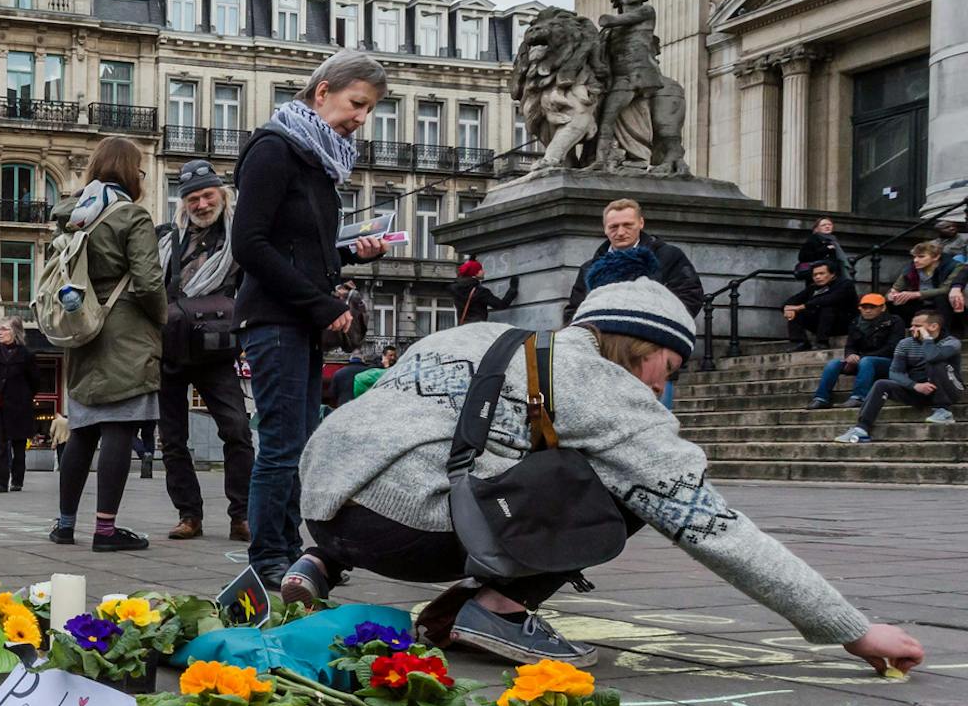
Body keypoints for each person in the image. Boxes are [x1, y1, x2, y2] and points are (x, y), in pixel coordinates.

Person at [281, 279, 922, 676]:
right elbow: (712, 526)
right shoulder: (600, 386)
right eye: (664, 366)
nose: (660, 385)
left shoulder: (479, 334)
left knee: (483, 453)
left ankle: (319, 568)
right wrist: (852, 629)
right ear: (633, 344)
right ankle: (499, 608)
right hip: (408, 530)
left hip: (325, 509)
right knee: (640, 489)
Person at [231, 52, 393, 585]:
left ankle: (287, 549)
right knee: (280, 442)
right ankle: (267, 558)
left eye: (369, 109)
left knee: (300, 443)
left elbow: (299, 248)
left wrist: (352, 255)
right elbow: (250, 245)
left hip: (297, 319)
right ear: (322, 92)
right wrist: (325, 304)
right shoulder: (274, 150)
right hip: (273, 319)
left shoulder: (319, 162)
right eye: (357, 104)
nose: (361, 118)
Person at [47, 134, 165, 552]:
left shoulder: (71, 215)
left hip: (82, 329)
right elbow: (150, 281)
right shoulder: (131, 216)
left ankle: (64, 525)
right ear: (132, 171)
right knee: (119, 426)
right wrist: (161, 319)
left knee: (81, 430)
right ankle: (106, 530)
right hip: (126, 333)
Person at [154, 158, 254, 543]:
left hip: (217, 352)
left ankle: (241, 515)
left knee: (238, 431)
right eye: (192, 198)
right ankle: (189, 515)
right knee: (173, 439)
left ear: (221, 195)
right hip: (170, 350)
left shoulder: (241, 239)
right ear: (183, 203)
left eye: (207, 195)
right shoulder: (167, 238)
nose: (200, 204)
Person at [563, 199, 706, 323]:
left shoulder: (668, 256)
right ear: (604, 229)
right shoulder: (588, 268)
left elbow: (690, 296)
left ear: (641, 223)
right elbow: (574, 311)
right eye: (613, 226)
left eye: (627, 225)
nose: (620, 232)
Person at [835, 310, 961, 443]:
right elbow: (894, 373)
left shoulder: (951, 342)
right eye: (912, 325)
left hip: (948, 390)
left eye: (917, 326)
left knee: (934, 362)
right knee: (881, 384)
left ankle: (943, 411)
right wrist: (915, 386)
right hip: (919, 391)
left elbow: (932, 356)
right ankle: (861, 429)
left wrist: (927, 340)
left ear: (934, 326)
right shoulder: (905, 344)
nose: (912, 328)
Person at [810, 294, 905, 409]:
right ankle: (821, 398)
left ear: (883, 308)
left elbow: (892, 347)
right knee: (833, 364)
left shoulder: (895, 321)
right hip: (863, 361)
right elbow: (850, 345)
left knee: (866, 361)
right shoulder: (856, 322)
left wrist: (860, 358)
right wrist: (850, 356)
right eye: (865, 307)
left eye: (872, 307)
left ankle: (859, 397)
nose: (868, 310)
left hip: (887, 362)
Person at [0, 318, 41, 493]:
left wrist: (25, 397)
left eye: (4, 329)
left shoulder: (27, 355)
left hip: (20, 408)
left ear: (14, 332)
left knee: (19, 447)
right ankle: (0, 482)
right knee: (0, 446)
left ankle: (17, 480)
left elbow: (35, 381)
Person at [886, 242, 964, 333]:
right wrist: (892, 295)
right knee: (893, 303)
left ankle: (943, 334)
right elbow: (895, 288)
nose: (915, 260)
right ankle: (901, 333)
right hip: (919, 303)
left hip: (944, 304)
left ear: (936, 257)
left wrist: (916, 294)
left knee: (942, 298)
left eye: (921, 256)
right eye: (914, 256)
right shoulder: (911, 268)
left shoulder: (953, 266)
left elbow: (946, 289)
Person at [782, 260, 853, 350]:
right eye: (815, 275)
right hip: (819, 324)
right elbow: (792, 300)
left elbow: (830, 299)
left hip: (843, 323)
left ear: (832, 274)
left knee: (827, 307)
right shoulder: (813, 288)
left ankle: (822, 342)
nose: (818, 277)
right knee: (795, 312)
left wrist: (801, 306)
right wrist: (787, 309)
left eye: (821, 273)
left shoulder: (845, 284)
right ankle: (800, 342)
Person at [450, 259, 517, 325]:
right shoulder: (480, 292)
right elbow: (501, 305)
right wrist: (512, 290)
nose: (483, 272)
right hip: (478, 328)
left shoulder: (455, 289)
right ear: (475, 273)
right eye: (480, 269)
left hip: (463, 328)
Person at [795, 216, 850, 280]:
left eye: (830, 224)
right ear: (816, 228)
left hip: (831, 275)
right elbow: (803, 257)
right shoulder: (813, 239)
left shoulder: (833, 241)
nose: (827, 226)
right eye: (823, 225)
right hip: (817, 276)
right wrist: (826, 249)